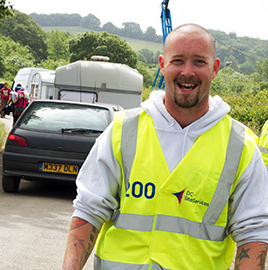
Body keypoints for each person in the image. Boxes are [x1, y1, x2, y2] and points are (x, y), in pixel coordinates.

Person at [63, 24, 268, 270]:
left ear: (214, 69)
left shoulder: (241, 145)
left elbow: (253, 234)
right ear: (162, 64)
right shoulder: (122, 130)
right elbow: (88, 211)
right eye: (178, 60)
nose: (188, 71)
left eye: (199, 62)